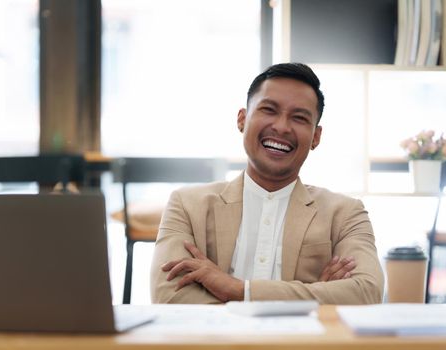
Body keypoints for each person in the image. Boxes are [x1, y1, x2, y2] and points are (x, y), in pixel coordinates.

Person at [150, 63, 384, 304]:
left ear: (316, 137)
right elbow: (169, 296)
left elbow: (367, 292)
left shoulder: (345, 214)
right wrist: (312, 297)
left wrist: (236, 290)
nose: (282, 127)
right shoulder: (187, 206)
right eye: (269, 110)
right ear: (242, 119)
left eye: (299, 117)